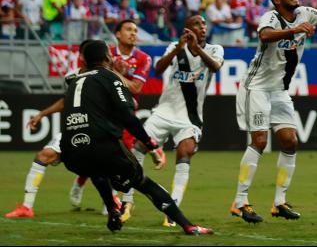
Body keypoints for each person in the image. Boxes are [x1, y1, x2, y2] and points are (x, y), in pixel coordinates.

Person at [59, 40, 212, 235]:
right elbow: (127, 115)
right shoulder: (110, 76)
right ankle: (188, 225)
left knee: (97, 169)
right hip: (101, 146)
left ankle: (113, 209)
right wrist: (150, 144)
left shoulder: (73, 81)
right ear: (108, 58)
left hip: (71, 154)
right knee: (142, 181)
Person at [231, 0, 317, 223]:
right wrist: (295, 30)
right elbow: (265, 36)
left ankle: (279, 203)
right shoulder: (271, 17)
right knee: (260, 141)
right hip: (258, 87)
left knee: (289, 141)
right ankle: (240, 202)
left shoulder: (305, 13)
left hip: (280, 90)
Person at [120, 15, 224, 226]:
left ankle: (173, 208)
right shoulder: (175, 47)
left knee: (184, 152)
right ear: (187, 29)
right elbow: (158, 69)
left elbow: (215, 67)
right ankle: (127, 201)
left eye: (204, 23)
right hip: (165, 111)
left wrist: (197, 48)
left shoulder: (215, 49)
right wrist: (179, 48)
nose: (202, 27)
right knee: (137, 148)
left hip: (190, 117)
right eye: (197, 24)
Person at [4, 40, 99, 219]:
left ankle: (115, 201)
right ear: (81, 57)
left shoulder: (104, 76)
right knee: (44, 155)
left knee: (104, 168)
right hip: (74, 128)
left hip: (97, 130)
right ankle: (27, 207)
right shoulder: (71, 77)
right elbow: (65, 101)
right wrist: (42, 114)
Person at [68, 19, 152, 209]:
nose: (133, 33)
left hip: (123, 113)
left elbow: (136, 88)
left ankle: (112, 199)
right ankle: (80, 184)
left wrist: (112, 72)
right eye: (129, 29)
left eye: (136, 30)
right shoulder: (104, 53)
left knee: (120, 158)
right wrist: (115, 72)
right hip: (101, 114)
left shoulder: (143, 58)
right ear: (118, 34)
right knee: (96, 154)